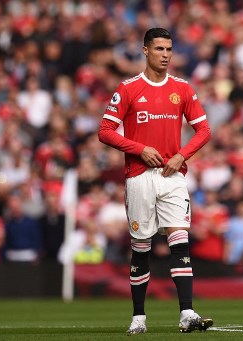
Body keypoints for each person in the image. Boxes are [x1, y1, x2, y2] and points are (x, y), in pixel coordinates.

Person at [97, 28, 212, 335]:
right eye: (159, 49)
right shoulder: (129, 88)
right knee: (141, 246)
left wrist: (181, 155)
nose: (165, 55)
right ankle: (139, 317)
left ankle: (187, 312)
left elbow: (203, 131)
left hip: (172, 176)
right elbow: (105, 131)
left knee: (179, 239)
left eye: (169, 49)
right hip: (139, 177)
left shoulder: (183, 88)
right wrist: (139, 149)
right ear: (145, 51)